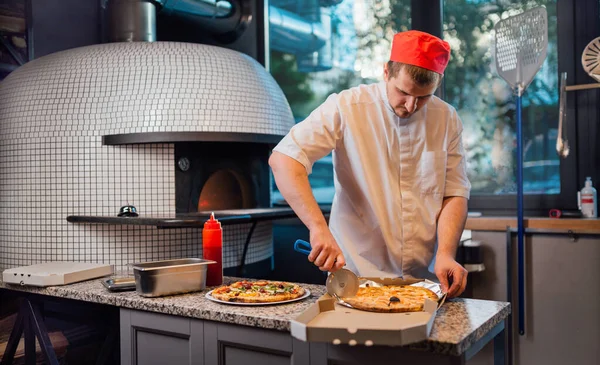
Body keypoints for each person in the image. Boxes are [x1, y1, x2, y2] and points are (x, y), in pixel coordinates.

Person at [269, 30, 471, 298]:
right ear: (386, 71)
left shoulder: (447, 119)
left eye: (423, 98)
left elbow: (454, 193)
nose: (411, 106)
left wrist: (446, 254)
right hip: (355, 276)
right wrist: (318, 228)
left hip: (424, 280)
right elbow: (285, 158)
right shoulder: (347, 106)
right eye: (403, 92)